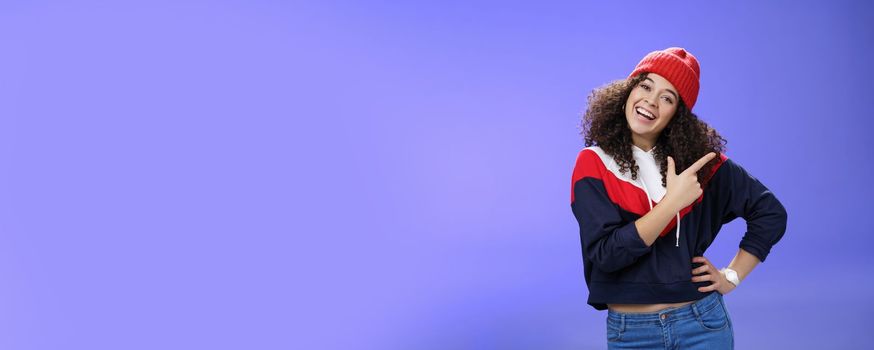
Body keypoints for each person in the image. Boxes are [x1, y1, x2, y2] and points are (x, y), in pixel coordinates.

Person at [569, 47, 788, 349]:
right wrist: (672, 203)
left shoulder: (701, 166)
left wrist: (731, 276)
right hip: (631, 333)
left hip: (702, 324)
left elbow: (771, 213)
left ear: (677, 115)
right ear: (629, 90)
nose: (651, 100)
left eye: (667, 97)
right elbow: (607, 255)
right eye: (645, 85)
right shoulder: (593, 163)